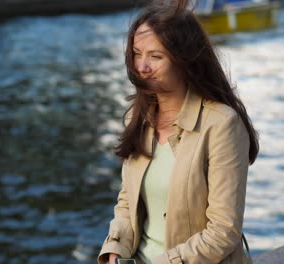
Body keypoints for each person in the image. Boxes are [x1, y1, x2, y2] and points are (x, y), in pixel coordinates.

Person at [98, 1, 259, 264]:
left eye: (156, 56)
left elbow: (223, 232)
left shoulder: (222, 125)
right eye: (137, 53)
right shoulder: (136, 117)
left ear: (185, 60)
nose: (142, 66)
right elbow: (127, 202)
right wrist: (115, 250)